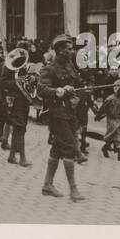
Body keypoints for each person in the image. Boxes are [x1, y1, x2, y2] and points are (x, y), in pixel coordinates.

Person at [37, 34, 86, 201]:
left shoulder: (70, 66)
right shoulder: (49, 68)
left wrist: (78, 94)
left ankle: (47, 185)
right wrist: (59, 91)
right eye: (69, 49)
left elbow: (79, 84)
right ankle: (73, 189)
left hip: (70, 112)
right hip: (56, 114)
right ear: (59, 50)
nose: (72, 51)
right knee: (69, 148)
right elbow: (41, 90)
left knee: (58, 148)